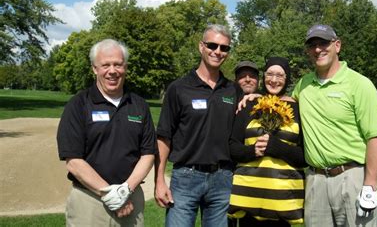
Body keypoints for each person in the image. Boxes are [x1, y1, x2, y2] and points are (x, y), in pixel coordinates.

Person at [292, 24, 377, 226]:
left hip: (352, 177)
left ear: (337, 45)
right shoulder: (303, 85)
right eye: (313, 45)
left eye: (323, 43)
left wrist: (370, 186)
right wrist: (253, 96)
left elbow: (375, 137)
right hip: (316, 180)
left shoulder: (359, 84)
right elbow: (284, 103)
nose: (318, 49)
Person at [56, 39, 157, 226]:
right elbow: (74, 161)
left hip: (131, 200)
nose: (112, 71)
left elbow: (148, 153)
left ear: (125, 67)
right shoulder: (78, 105)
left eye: (118, 64)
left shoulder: (139, 105)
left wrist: (125, 191)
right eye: (105, 65)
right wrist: (111, 195)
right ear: (95, 68)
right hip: (89, 202)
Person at [154, 24, 242, 227]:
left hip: (223, 178)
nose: (218, 52)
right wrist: (159, 180)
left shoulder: (233, 90)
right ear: (201, 46)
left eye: (224, 48)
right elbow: (164, 137)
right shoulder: (179, 88)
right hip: (186, 177)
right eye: (212, 45)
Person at [228, 57, 306, 226]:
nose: (274, 80)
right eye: (269, 74)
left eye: (280, 75)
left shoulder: (298, 110)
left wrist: (279, 148)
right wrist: (252, 151)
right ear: (264, 77)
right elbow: (233, 147)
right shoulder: (249, 105)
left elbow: (305, 156)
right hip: (248, 200)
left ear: (287, 79)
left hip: (283, 201)